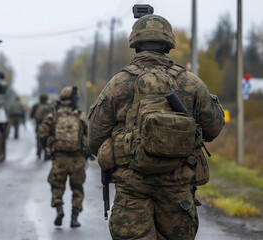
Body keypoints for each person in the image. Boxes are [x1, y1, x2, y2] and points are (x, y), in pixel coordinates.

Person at [88, 14, 225, 239]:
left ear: (136, 43)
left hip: (131, 191)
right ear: (168, 43)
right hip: (177, 189)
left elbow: (93, 138)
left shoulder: (118, 83)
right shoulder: (189, 82)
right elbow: (214, 128)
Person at [39, 86, 90, 228]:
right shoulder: (80, 115)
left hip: (59, 158)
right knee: (77, 189)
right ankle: (74, 218)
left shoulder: (54, 116)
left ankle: (59, 209)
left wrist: (48, 147)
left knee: (57, 186)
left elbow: (42, 133)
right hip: (77, 158)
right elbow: (91, 134)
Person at [30, 94, 55, 159]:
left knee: (39, 138)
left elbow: (32, 115)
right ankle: (47, 154)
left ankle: (39, 152)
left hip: (39, 124)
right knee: (48, 139)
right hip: (48, 124)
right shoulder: (50, 106)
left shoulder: (36, 106)